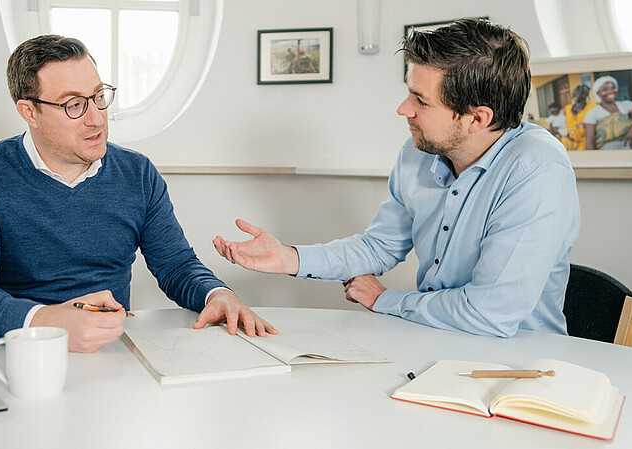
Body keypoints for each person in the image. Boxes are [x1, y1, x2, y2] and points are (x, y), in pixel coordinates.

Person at [213, 18, 580, 337]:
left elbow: (488, 314)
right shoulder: (419, 151)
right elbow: (380, 247)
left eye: (421, 100)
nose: (404, 109)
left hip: (521, 364)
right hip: (432, 341)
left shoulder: (537, 171)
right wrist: (288, 258)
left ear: (476, 118)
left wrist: (385, 299)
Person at [0, 35, 275, 353]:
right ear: (29, 111)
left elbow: (176, 265)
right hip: (18, 354)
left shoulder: (137, 172)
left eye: (98, 97)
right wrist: (46, 322)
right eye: (73, 105)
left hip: (112, 354)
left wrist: (218, 294)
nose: (96, 119)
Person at [584, 75, 632, 150]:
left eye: (613, 87)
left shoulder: (626, 105)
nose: (610, 91)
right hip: (607, 151)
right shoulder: (592, 113)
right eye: (605, 89)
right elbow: (589, 143)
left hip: (630, 147)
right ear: (597, 93)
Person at [561, 84, 596, 151]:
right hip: (568, 141)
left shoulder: (592, 107)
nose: (574, 95)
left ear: (584, 95)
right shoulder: (567, 108)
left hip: (584, 141)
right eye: (573, 93)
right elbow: (564, 123)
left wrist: (584, 125)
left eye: (577, 93)